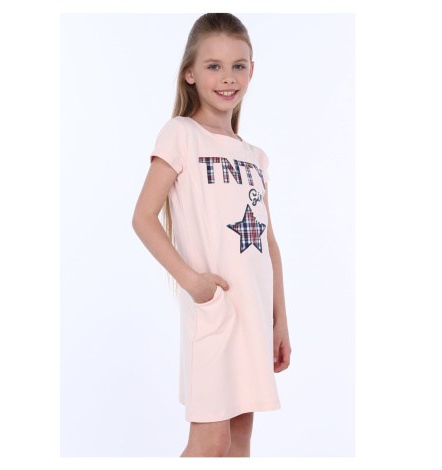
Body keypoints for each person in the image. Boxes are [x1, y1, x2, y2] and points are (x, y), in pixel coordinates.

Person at [132, 13, 291, 458]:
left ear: (252, 71)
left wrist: (280, 320)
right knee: (210, 441)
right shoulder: (180, 134)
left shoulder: (255, 156)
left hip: (254, 313)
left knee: (239, 441)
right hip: (214, 310)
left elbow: (269, 243)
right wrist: (194, 283)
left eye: (238, 66)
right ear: (190, 72)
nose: (227, 78)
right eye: (213, 66)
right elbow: (143, 217)